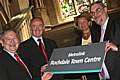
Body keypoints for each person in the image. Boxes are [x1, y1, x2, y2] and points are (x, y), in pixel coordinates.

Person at [90, 1, 120, 80]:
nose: (95, 15)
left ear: (106, 9)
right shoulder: (96, 32)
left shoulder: (117, 24)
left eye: (98, 10)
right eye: (92, 13)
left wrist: (117, 48)